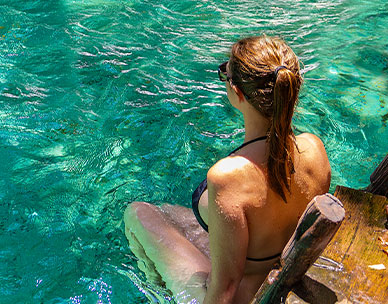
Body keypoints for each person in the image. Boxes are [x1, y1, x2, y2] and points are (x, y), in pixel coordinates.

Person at [124, 36, 331, 304]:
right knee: (166, 215)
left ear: (237, 92)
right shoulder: (314, 147)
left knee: (137, 213)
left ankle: (159, 295)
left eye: (225, 73)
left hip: (249, 295)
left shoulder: (227, 176)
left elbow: (225, 289)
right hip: (279, 272)